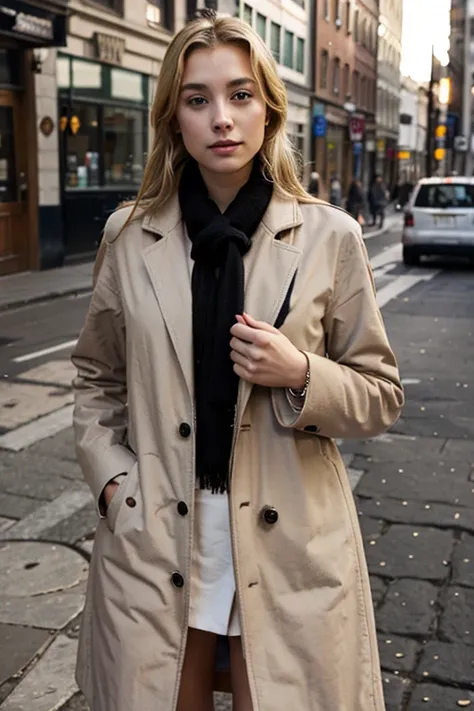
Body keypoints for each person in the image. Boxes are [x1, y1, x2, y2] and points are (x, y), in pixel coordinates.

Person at [72, 10, 404, 711]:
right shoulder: (129, 237)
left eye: (240, 94)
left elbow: (380, 393)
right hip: (156, 540)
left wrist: (302, 374)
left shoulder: (329, 236)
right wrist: (113, 488)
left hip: (292, 552)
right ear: (174, 117)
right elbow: (96, 378)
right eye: (198, 99)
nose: (221, 117)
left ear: (268, 110)